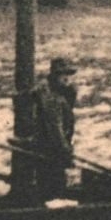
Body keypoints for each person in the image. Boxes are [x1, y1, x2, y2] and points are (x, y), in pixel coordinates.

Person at [22, 56, 78, 200]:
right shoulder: (51, 99)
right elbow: (56, 130)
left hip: (51, 149)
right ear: (54, 76)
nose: (66, 78)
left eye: (68, 75)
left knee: (50, 187)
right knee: (52, 189)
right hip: (50, 151)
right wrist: (66, 152)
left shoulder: (62, 95)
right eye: (62, 75)